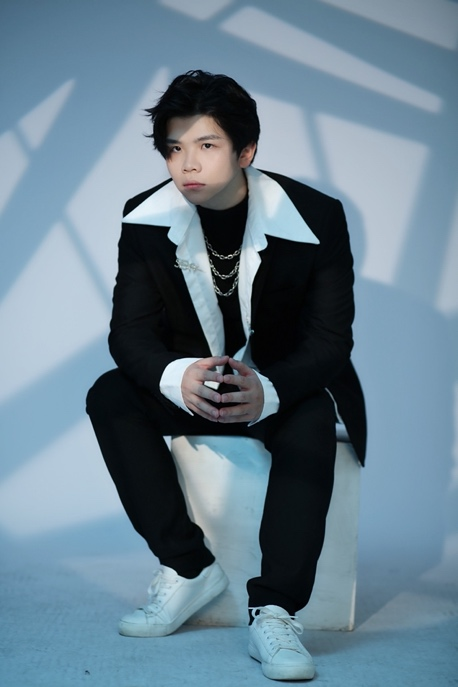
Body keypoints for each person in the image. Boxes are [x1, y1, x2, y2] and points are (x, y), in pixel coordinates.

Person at [86, 69, 366, 682]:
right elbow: (128, 333)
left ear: (246, 151)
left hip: (280, 385)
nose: (186, 163)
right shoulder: (144, 216)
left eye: (206, 145)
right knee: (110, 394)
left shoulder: (316, 216)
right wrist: (176, 375)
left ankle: (275, 611)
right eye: (174, 148)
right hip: (195, 385)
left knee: (314, 417)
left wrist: (269, 389)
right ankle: (188, 566)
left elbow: (330, 340)